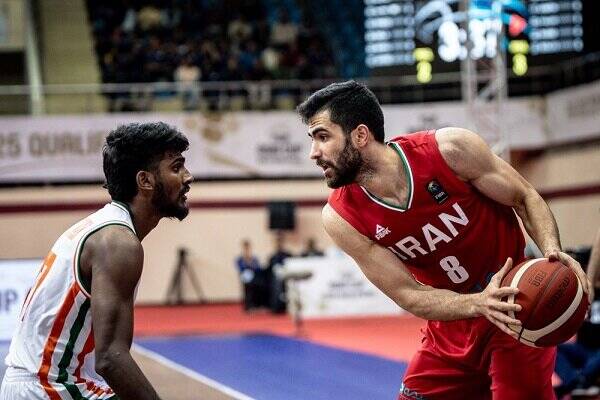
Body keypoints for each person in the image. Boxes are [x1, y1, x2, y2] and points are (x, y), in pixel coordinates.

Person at [297, 80, 590, 400]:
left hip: (518, 305)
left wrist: (552, 251)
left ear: (360, 135)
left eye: (323, 137)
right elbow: (408, 293)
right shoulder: (341, 218)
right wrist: (478, 304)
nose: (314, 153)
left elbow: (524, 197)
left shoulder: (450, 150)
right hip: (453, 323)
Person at [0, 122, 193, 400]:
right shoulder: (118, 243)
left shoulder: (102, 227)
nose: (188, 177)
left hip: (35, 383)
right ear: (145, 181)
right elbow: (110, 359)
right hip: (49, 386)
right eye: (176, 167)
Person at [554, 241, 600, 399]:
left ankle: (577, 383)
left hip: (598, 353)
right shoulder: (582, 293)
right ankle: (577, 381)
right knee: (555, 349)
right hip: (583, 348)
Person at [266, 231, 293, 313]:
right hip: (276, 279)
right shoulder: (272, 257)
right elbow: (268, 270)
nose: (278, 243)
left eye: (280, 241)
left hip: (287, 276)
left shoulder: (288, 255)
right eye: (277, 241)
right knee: (276, 282)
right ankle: (276, 306)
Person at [236, 239, 265, 311]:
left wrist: (251, 264)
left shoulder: (254, 258)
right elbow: (240, 268)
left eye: (248, 247)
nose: (247, 249)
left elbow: (258, 268)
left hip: (254, 275)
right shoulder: (240, 259)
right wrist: (247, 264)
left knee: (261, 283)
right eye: (245, 247)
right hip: (245, 276)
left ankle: (258, 304)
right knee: (248, 284)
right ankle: (249, 305)